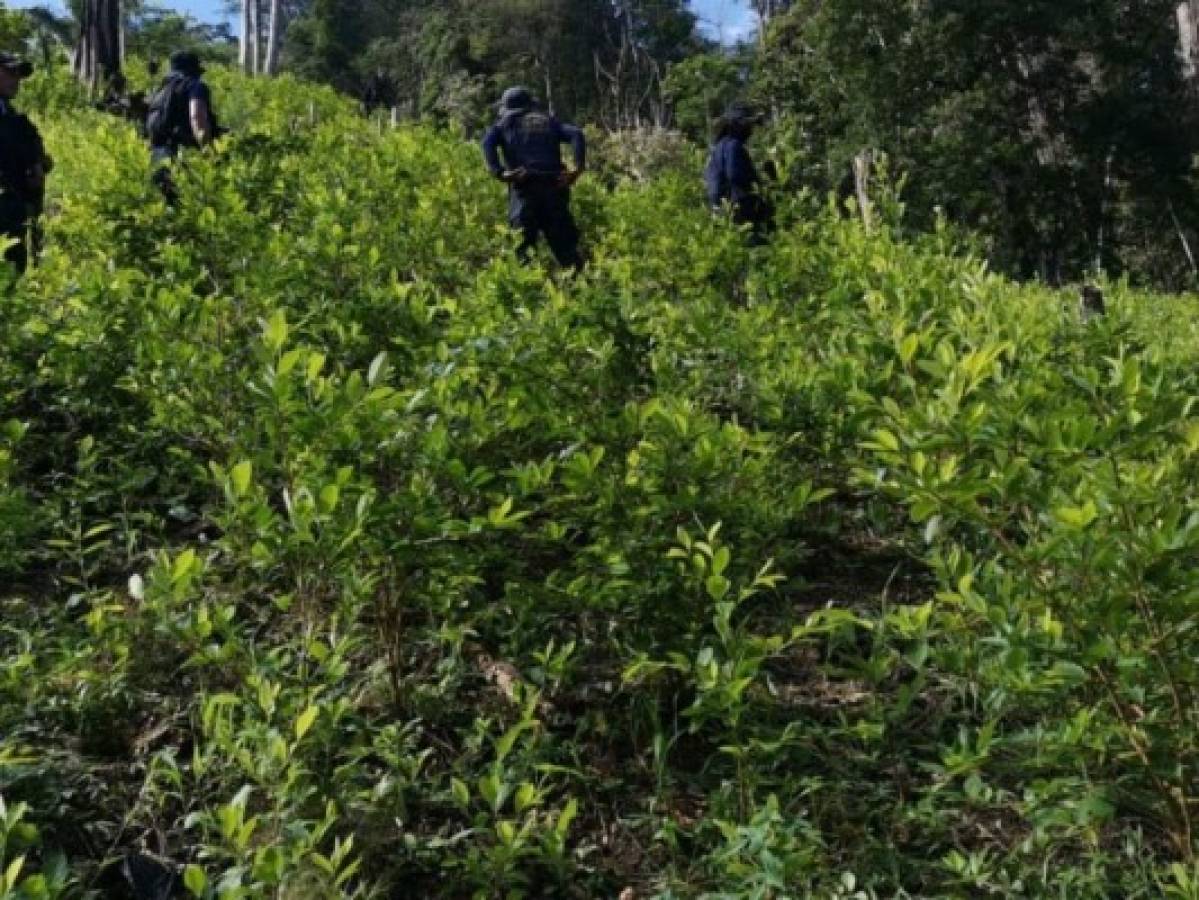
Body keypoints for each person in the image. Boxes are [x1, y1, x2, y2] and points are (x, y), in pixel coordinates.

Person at [481, 86, 586, 270]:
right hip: (555, 188)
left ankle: (531, 295)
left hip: (524, 190)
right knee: (566, 251)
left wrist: (500, 172)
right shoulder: (549, 122)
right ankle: (585, 292)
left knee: (522, 252)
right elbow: (576, 134)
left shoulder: (505, 123)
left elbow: (487, 142)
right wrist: (576, 169)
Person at [0, 52, 52, 275]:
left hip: (13, 210)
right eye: (10, 73)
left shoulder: (12, 116)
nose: (16, 80)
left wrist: (38, 163)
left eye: (19, 75)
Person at [147, 51, 218, 202]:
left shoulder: (160, 91)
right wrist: (210, 154)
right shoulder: (195, 85)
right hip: (184, 157)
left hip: (157, 157)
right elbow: (197, 118)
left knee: (165, 209)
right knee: (189, 208)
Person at [704, 103, 773, 241]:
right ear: (738, 126)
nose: (751, 129)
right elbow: (735, 176)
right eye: (748, 125)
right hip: (740, 211)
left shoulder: (719, 147)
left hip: (723, 211)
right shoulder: (733, 146)